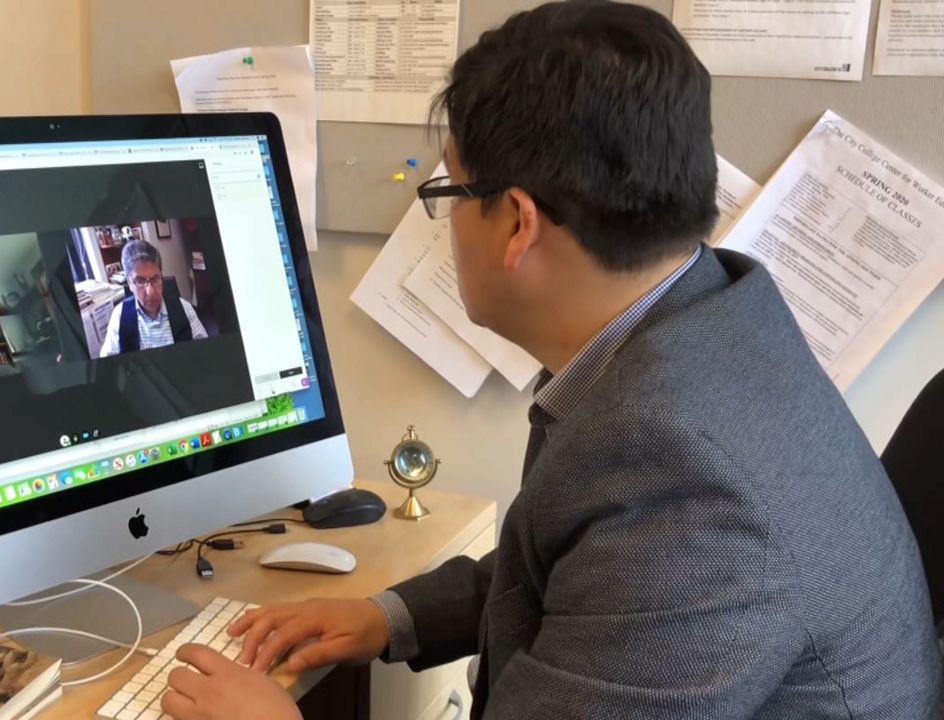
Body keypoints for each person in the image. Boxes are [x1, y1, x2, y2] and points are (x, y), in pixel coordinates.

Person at [159, 2, 944, 718]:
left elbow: (644, 566)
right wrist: (388, 617)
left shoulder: (685, 480)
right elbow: (587, 578)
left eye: (450, 192)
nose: (444, 220)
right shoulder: (714, 321)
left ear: (517, 224)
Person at [99, 240, 207, 357]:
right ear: (129, 283)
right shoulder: (119, 316)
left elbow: (205, 353)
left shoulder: (184, 308)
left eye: (155, 279)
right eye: (140, 281)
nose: (150, 292)